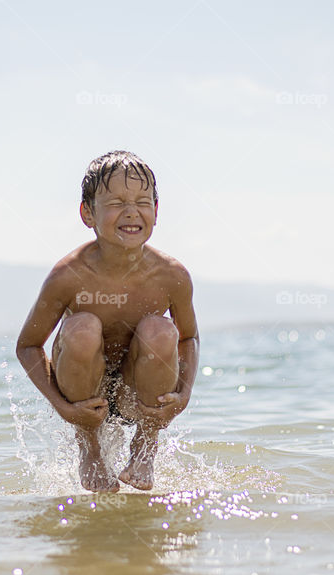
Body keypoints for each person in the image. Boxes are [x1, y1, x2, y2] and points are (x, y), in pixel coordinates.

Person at [16, 150, 199, 492]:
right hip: (86, 396)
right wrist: (64, 410)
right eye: (116, 202)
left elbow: (188, 339)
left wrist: (184, 395)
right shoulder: (68, 276)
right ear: (88, 213)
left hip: (137, 393)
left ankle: (145, 444)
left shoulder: (171, 275)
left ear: (156, 212)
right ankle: (90, 448)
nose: (131, 211)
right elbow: (27, 346)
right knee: (82, 328)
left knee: (161, 331)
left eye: (142, 201)